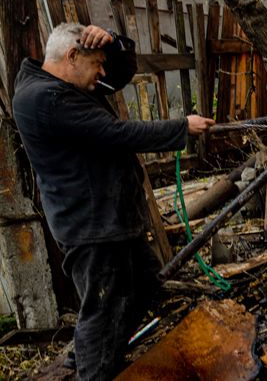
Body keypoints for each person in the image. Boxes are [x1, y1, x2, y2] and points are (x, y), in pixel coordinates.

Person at [12, 23, 215, 380]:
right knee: (101, 310)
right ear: (72, 56)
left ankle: (101, 354)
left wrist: (113, 42)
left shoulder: (66, 82)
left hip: (111, 220)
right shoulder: (46, 99)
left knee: (145, 283)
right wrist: (181, 128)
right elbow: (116, 134)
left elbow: (116, 75)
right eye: (96, 64)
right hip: (91, 228)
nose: (102, 73)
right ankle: (94, 367)